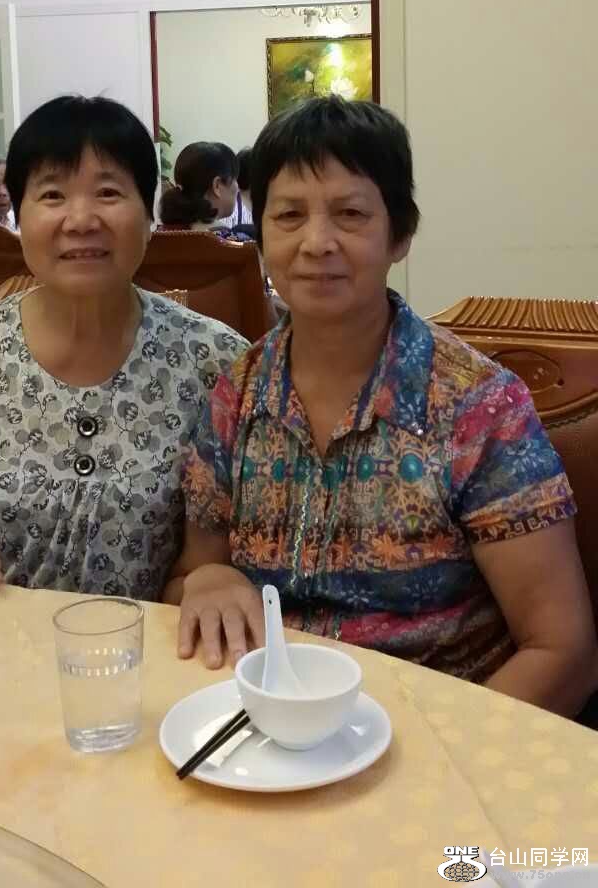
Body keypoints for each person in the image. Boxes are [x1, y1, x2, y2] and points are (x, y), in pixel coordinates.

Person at [166, 96, 598, 717]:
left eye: (350, 214)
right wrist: (208, 581)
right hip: (273, 727)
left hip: (443, 730)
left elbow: (563, 653)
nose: (316, 242)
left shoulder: (478, 406)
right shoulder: (237, 393)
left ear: (401, 234)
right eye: (288, 215)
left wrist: (431, 757)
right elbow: (193, 575)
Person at [0, 96, 248, 603]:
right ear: (18, 217)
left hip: (153, 648)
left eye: (108, 192)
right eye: (52, 194)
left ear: (149, 214)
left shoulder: (218, 362)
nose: (80, 219)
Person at [159, 142, 245, 239]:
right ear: (217, 185)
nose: (237, 188)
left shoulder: (157, 236)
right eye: (235, 179)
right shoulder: (228, 240)